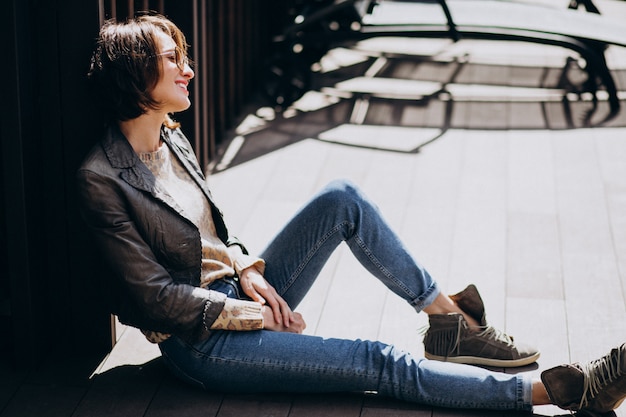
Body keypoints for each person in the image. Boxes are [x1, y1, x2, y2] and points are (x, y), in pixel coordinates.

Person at [78, 13, 626, 415]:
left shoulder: (169, 137)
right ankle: (557, 393)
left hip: (239, 295)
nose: (188, 69)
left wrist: (247, 270)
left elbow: (212, 236)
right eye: (172, 58)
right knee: (375, 359)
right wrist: (253, 316)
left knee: (343, 199)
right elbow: (155, 298)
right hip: (201, 341)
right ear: (135, 74)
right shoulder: (101, 179)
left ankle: (449, 322)